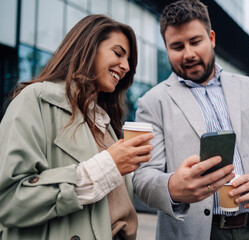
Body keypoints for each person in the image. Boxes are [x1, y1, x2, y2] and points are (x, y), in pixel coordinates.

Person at [132, 1, 249, 240]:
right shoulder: (152, 102)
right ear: (166, 48)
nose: (189, 54)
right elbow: (143, 178)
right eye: (177, 46)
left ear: (212, 38)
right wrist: (173, 187)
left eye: (195, 42)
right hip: (190, 232)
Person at [0, 14, 153, 240]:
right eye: (118, 53)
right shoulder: (36, 100)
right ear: (89, 47)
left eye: (128, 60)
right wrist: (106, 166)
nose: (126, 67)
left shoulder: (106, 125)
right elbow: (9, 201)